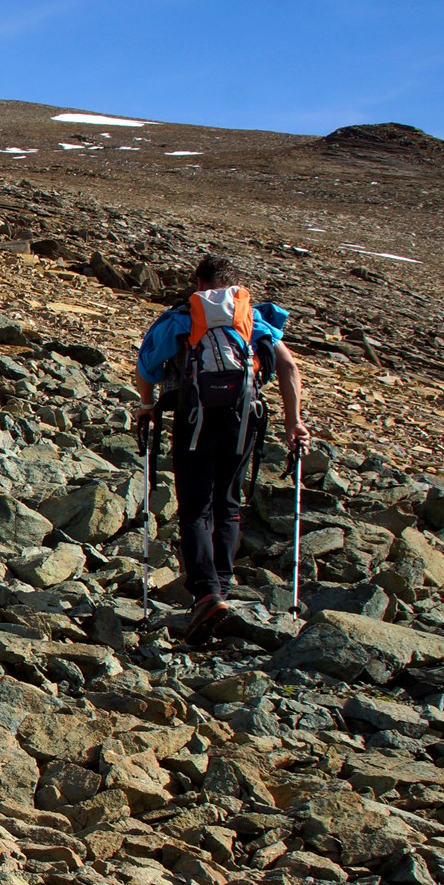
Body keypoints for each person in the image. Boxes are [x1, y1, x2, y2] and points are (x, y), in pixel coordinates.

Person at [134, 255, 310, 643]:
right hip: (242, 418)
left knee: (195, 506)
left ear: (198, 281)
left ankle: (205, 593)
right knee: (228, 503)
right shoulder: (251, 318)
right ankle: (222, 589)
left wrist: (146, 405)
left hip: (193, 418)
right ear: (234, 284)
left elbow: (146, 366)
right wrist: (293, 421)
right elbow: (288, 367)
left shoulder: (182, 317)